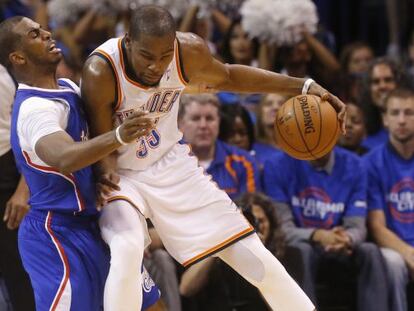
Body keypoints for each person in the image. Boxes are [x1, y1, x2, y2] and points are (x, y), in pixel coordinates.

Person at [81, 5, 346, 311]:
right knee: (126, 249)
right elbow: (103, 145)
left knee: (254, 255)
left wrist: (304, 85)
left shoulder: (187, 51)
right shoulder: (101, 70)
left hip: (170, 164)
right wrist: (104, 175)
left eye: (164, 55)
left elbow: (230, 76)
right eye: (146, 56)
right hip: (121, 172)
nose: (156, 66)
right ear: (127, 41)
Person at [0, 16, 161, 310]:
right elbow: (63, 157)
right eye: (35, 34)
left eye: (43, 29)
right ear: (18, 57)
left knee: (149, 304)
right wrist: (119, 136)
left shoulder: (66, 87)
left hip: (90, 221)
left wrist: (101, 173)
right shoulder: (35, 110)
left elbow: (63, 153)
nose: (47, 33)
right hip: (56, 234)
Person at [263, 147, 389, 311]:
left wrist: (346, 239)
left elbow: (357, 226)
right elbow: (283, 229)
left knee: (370, 251)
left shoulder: (355, 165)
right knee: (301, 251)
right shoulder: (276, 165)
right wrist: (317, 235)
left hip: (339, 246)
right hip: (304, 245)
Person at [365, 88, 414, 311]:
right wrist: (408, 253)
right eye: (395, 113)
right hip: (394, 247)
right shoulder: (370, 163)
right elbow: (376, 227)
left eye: (408, 113)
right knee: (392, 263)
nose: (401, 120)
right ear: (385, 119)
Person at [178, 94, 261, 199]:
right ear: (181, 124)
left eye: (209, 118)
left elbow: (251, 210)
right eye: (195, 118)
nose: (203, 125)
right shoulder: (166, 162)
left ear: (219, 122)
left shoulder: (245, 162)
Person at [0, 63, 35, 310]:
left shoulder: (9, 69)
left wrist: (24, 188)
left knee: (20, 275)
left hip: (7, 174)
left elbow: (28, 133)